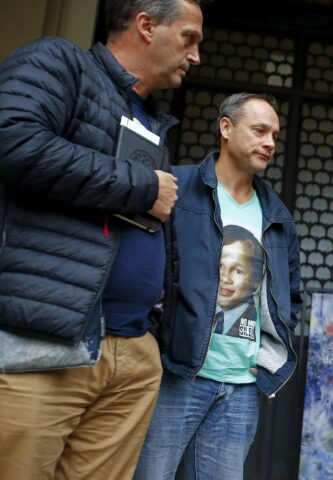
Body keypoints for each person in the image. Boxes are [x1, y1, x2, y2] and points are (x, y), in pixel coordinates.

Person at [0, 0, 203, 478]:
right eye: (189, 38)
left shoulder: (152, 121)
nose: (196, 56)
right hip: (48, 342)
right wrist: (143, 185)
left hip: (132, 349)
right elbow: (13, 140)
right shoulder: (59, 62)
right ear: (146, 26)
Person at [134, 92, 302, 480]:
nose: (270, 143)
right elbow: (146, 268)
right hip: (177, 372)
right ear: (225, 128)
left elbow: (289, 295)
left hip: (241, 386)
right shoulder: (176, 188)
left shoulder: (277, 215)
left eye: (275, 135)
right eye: (259, 130)